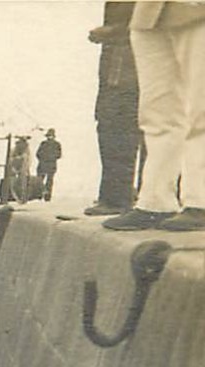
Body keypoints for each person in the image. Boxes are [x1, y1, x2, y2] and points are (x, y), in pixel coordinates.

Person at [106, 1, 205, 231]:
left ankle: (200, 201)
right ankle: (155, 201)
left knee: (201, 110)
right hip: (147, 14)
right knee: (157, 114)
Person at [87, 2, 145, 216]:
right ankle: (120, 195)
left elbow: (160, 20)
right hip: (119, 68)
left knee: (117, 129)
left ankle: (118, 198)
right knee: (113, 128)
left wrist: (114, 32)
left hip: (127, 72)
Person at [36, 129, 64, 200]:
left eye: (51, 136)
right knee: (42, 180)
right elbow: (38, 154)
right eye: (49, 136)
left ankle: (44, 196)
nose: (50, 137)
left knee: (47, 181)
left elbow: (59, 155)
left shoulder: (55, 144)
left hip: (47, 165)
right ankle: (41, 195)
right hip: (47, 165)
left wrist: (47, 157)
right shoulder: (45, 144)